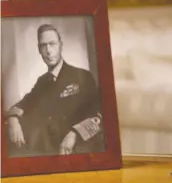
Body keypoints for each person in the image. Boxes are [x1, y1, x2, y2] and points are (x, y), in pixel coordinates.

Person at [5, 24, 105, 157]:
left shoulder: (82, 76)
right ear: (39, 49)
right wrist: (13, 119)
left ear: (61, 45)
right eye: (43, 45)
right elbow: (24, 103)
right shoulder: (42, 82)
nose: (48, 51)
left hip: (78, 150)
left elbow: (98, 115)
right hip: (49, 152)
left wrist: (74, 134)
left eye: (52, 44)